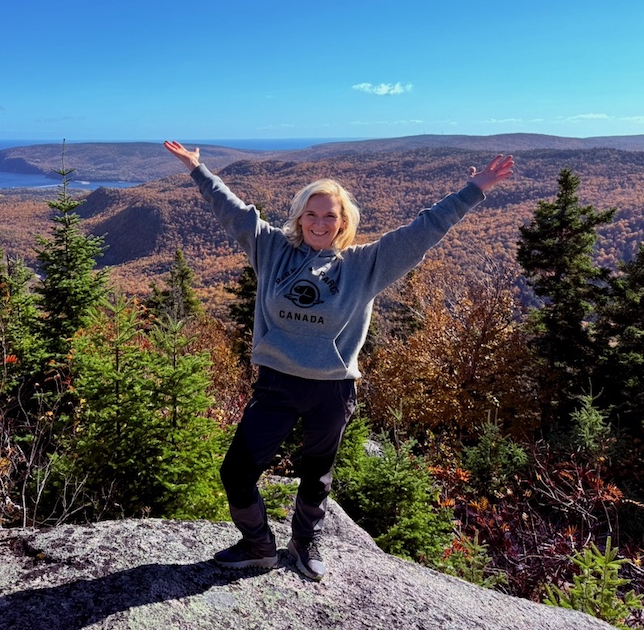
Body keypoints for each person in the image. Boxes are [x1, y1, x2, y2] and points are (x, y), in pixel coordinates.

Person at [163, 139, 514, 581]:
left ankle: (304, 541)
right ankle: (258, 545)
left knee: (316, 476)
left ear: (344, 221)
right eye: (311, 213)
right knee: (237, 472)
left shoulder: (365, 264)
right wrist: (198, 169)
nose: (319, 222)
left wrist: (475, 188)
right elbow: (233, 210)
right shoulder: (272, 250)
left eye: (330, 215)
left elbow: (424, 229)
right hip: (276, 383)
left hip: (331, 388)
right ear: (299, 217)